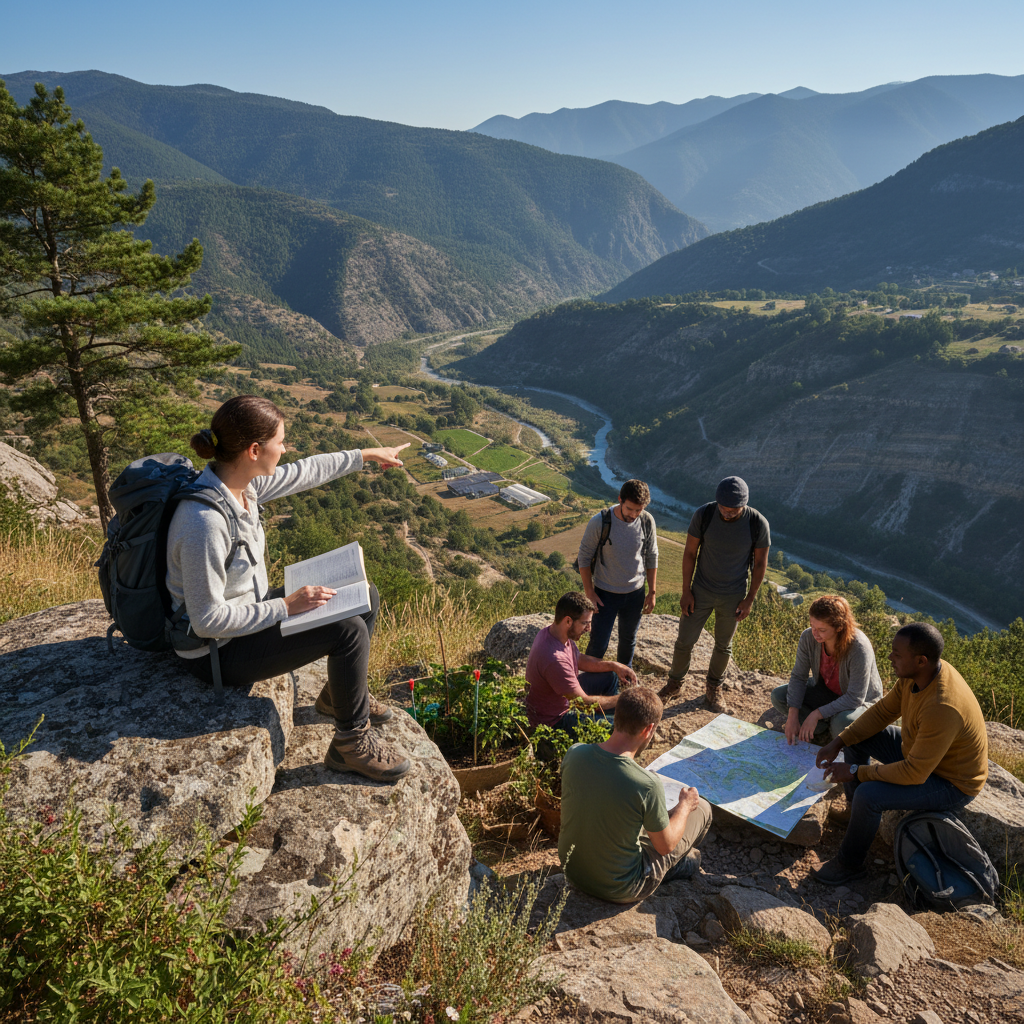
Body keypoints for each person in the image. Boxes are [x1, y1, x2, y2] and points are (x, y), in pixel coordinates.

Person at [166, 394, 413, 783]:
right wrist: (285, 606)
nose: (285, 449)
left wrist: (367, 453)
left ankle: (338, 696)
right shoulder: (203, 523)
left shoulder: (244, 487)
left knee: (364, 594)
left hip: (249, 612)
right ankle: (350, 743)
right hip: (216, 652)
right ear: (253, 450)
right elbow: (207, 619)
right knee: (346, 632)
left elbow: (308, 470)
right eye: (280, 441)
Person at [812, 623, 988, 886]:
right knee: (858, 738)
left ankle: (850, 865)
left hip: (950, 782)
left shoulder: (942, 706)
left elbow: (915, 773)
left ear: (921, 660)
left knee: (868, 795)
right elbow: (883, 712)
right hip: (918, 753)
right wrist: (840, 740)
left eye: (897, 654)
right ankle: (856, 817)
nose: (890, 658)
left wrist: (854, 772)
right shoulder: (918, 674)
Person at [558, 686, 712, 903]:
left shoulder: (575, 753)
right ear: (648, 730)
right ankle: (680, 865)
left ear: (616, 717)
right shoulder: (647, 784)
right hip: (621, 886)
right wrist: (685, 806)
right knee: (703, 808)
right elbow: (665, 846)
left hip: (572, 871)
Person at [657, 476, 770, 713]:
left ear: (745, 504)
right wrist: (686, 590)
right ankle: (675, 683)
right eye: (724, 509)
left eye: (733, 510)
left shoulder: (758, 523)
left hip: (734, 595)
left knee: (723, 645)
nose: (727, 514)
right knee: (684, 641)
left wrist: (750, 599)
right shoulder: (704, 515)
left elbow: (760, 565)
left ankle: (713, 688)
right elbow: (689, 553)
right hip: (701, 590)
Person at [771, 595, 883, 744]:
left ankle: (830, 728)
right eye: (812, 626)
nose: (815, 633)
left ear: (839, 627)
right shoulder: (808, 638)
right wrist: (793, 715)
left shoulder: (858, 648)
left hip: (861, 703)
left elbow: (855, 697)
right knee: (779, 696)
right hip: (826, 693)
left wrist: (816, 714)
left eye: (822, 630)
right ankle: (821, 729)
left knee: (842, 723)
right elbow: (799, 676)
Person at [524, 591, 638, 735]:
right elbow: (583, 703)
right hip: (555, 720)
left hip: (563, 698)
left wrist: (614, 665)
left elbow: (577, 658)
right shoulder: (554, 659)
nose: (589, 628)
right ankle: (611, 723)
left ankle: (610, 717)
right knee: (622, 729)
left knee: (610, 676)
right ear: (568, 621)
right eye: (585, 623)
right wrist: (624, 699)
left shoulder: (554, 633)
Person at [578, 479, 658, 670]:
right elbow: (584, 557)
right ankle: (589, 681)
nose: (634, 514)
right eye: (630, 509)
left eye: (638, 510)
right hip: (605, 593)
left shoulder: (647, 521)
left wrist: (652, 591)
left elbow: (652, 555)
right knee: (599, 642)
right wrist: (589, 592)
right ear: (620, 499)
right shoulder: (601, 521)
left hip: (635, 593)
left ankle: (625, 679)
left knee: (629, 639)